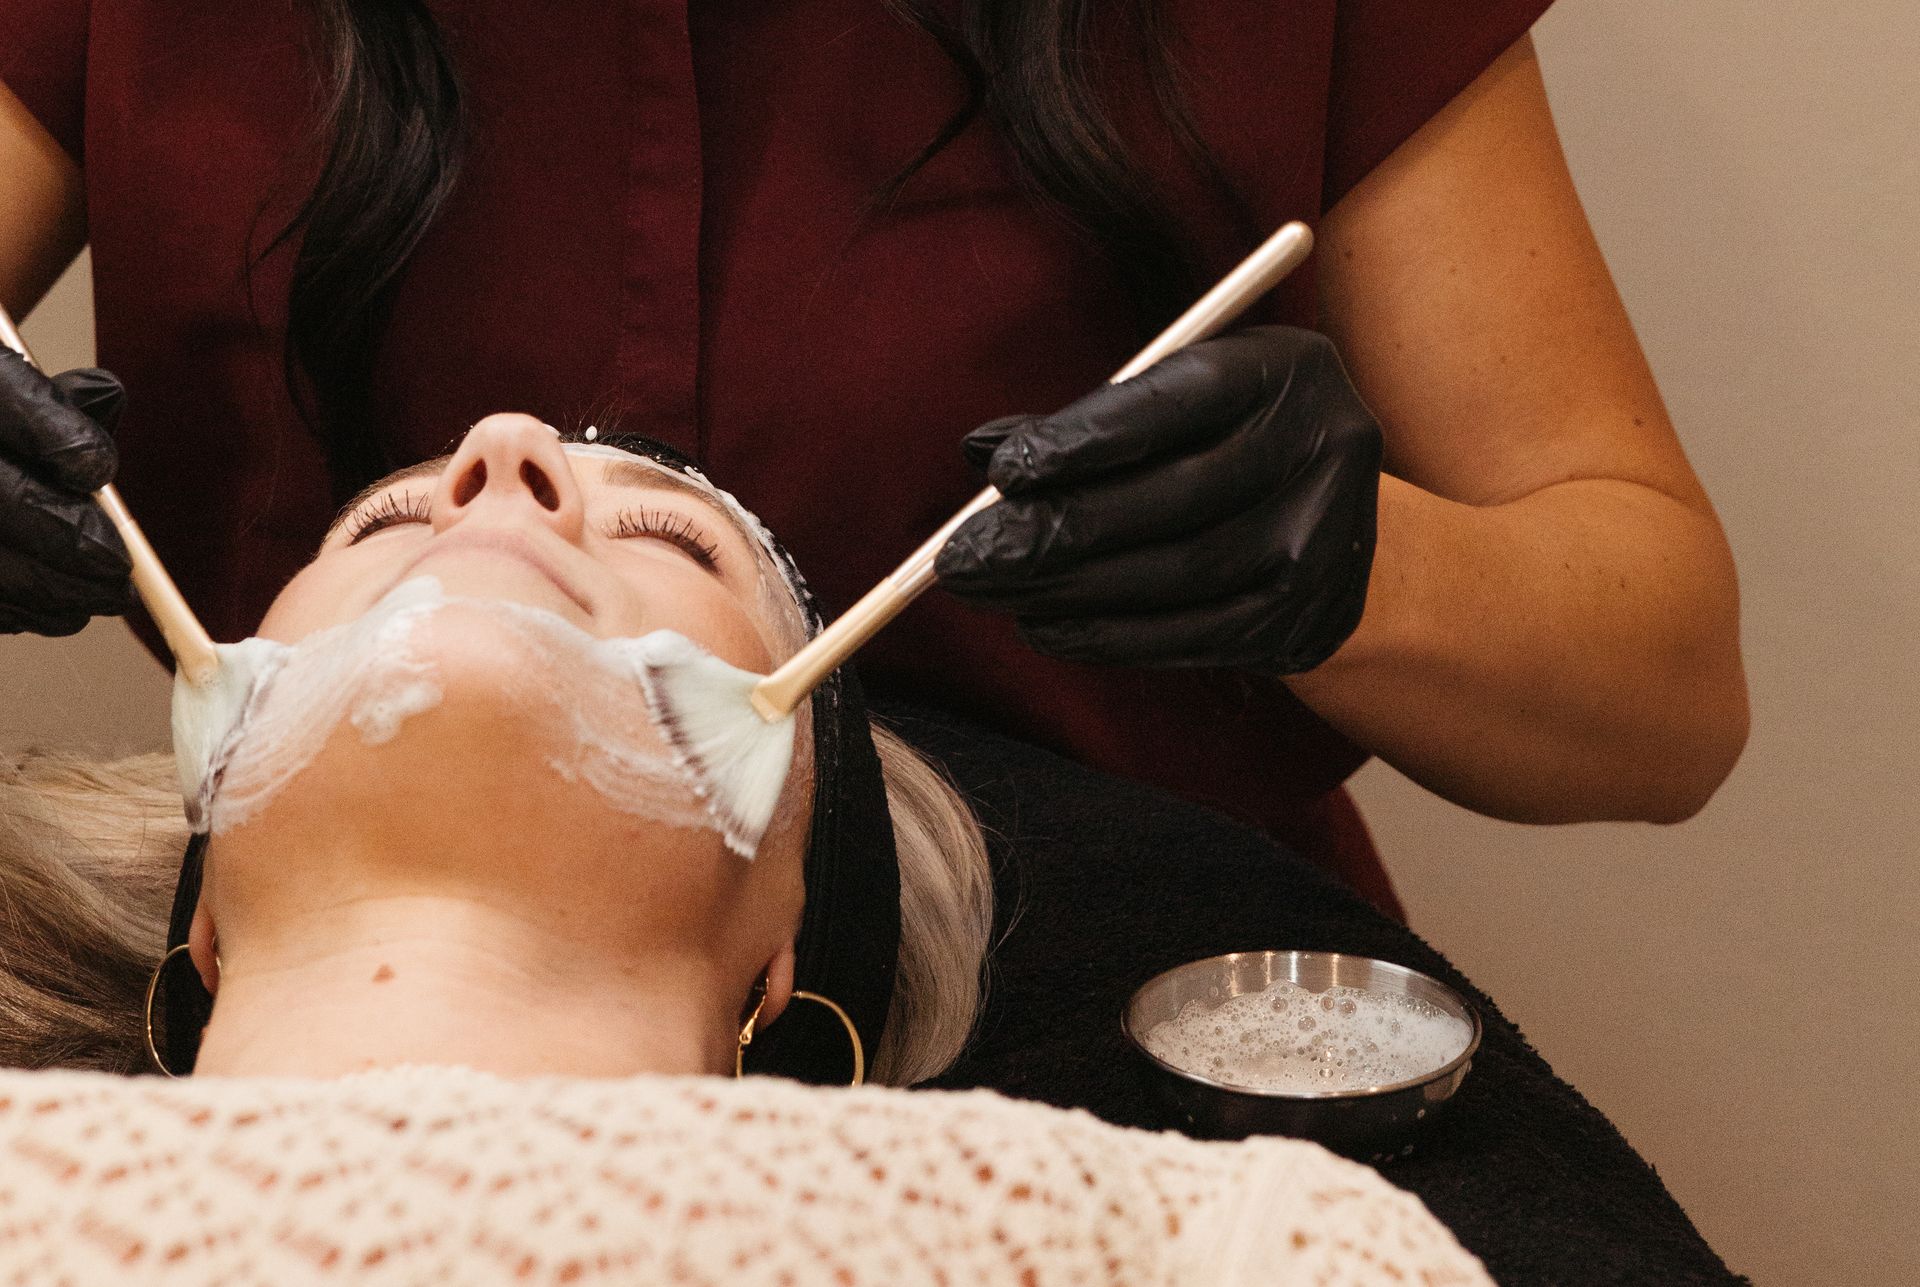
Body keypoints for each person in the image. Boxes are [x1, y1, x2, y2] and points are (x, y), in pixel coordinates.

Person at [0, 1, 1749, 920]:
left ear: (789, 986)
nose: (511, 465)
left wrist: (1353, 565)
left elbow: (1666, 698)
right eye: (403, 514)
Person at [0, 418, 1496, 1285]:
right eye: (383, 521)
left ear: (792, 929)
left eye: (673, 544)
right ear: (205, 917)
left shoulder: (1234, 1255)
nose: (499, 457)